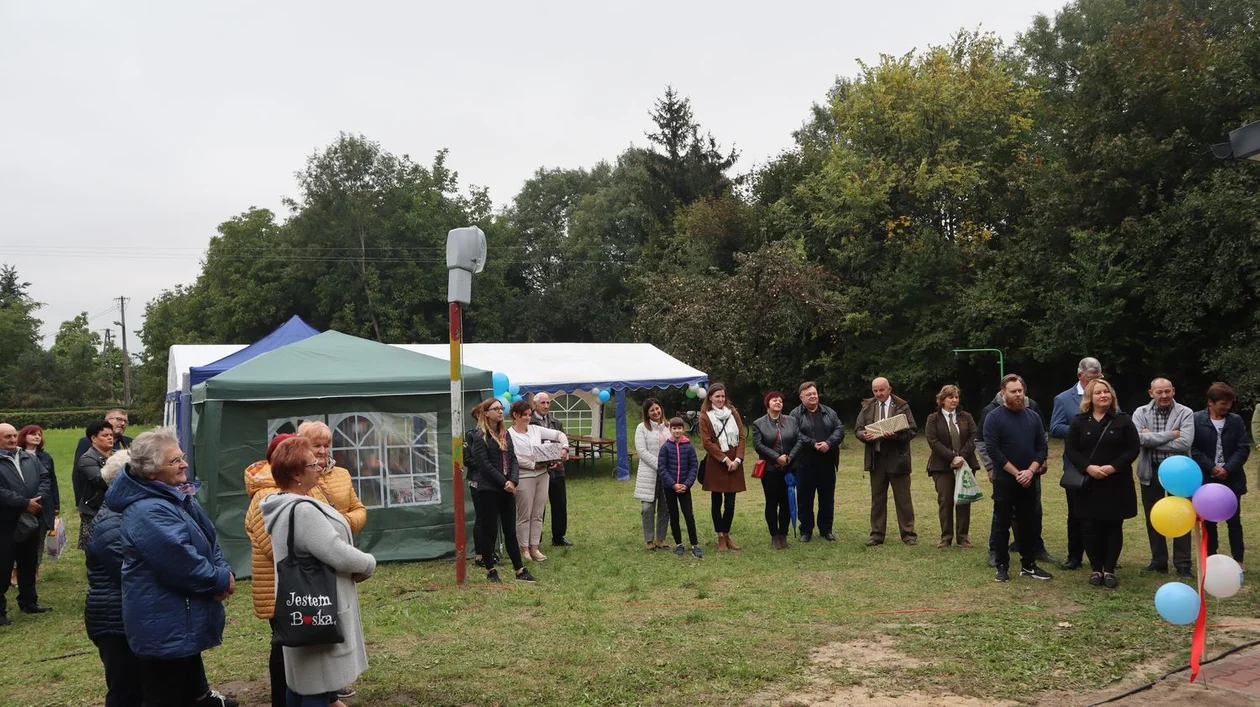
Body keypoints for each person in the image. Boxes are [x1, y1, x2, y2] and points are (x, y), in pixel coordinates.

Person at [105, 427, 236, 706]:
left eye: (182, 456)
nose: (184, 464)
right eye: (174, 461)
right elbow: (180, 561)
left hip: (179, 619)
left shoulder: (174, 496)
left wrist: (223, 574)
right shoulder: (147, 509)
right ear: (152, 473)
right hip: (163, 625)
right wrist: (218, 580)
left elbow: (209, 538)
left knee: (188, 691)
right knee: (166, 695)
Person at [260, 436, 376, 707]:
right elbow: (336, 551)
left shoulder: (284, 504)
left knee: (303, 685)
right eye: (312, 463)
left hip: (302, 606)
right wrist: (368, 563)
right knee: (315, 687)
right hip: (319, 607)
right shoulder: (302, 512)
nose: (319, 466)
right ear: (297, 474)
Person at [1066, 379, 1140, 589]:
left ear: (1112, 395)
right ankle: (1095, 569)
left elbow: (1133, 449)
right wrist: (1088, 468)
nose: (1103, 395)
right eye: (1098, 392)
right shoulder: (1079, 421)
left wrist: (1113, 467)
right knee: (1090, 527)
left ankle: (1109, 570)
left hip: (1116, 482)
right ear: (1090, 397)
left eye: (1106, 391)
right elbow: (1071, 450)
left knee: (1113, 526)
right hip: (1089, 482)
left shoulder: (1123, 420)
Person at [983, 374, 1053, 582]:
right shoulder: (993, 417)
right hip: (1005, 480)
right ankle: (1002, 565)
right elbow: (993, 450)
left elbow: (1042, 447)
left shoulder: (1033, 417)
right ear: (1003, 393)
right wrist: (1016, 473)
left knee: (1029, 522)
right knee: (1002, 522)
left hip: (1029, 479)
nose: (1018, 395)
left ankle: (1028, 564)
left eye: (1020, 390)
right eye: (1013, 391)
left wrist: (1030, 471)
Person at [466, 398, 536, 583]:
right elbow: (483, 464)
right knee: (489, 531)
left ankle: (520, 570)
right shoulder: (479, 435)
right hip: (488, 489)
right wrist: (503, 482)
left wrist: (513, 480)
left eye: (501, 408)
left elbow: (513, 458)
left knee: (510, 531)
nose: (500, 411)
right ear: (486, 412)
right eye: (495, 408)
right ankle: (490, 570)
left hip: (507, 488)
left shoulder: (505, 434)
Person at [1132, 378, 1195, 578]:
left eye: (1167, 391)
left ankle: (1183, 563)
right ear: (1151, 393)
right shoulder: (1140, 413)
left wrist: (1152, 438)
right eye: (1159, 392)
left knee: (1182, 517)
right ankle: (1158, 561)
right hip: (1151, 470)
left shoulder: (1186, 412)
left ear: (1173, 391)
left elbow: (1185, 443)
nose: (1164, 395)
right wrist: (1171, 434)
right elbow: (1138, 439)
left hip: (1180, 474)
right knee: (1154, 517)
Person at [1050, 357, 1106, 570]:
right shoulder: (1064, 399)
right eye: (1091, 378)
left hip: (1104, 463)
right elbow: (1055, 428)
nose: (1095, 383)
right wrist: (1081, 429)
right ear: (1080, 376)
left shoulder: (1107, 395)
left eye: (1098, 378)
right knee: (1077, 512)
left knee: (1104, 511)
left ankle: (1104, 554)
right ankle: (1075, 556)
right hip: (1076, 465)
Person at [1191, 382, 1251, 563]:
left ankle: (1238, 559)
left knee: (1234, 521)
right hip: (1207, 478)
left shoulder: (1236, 421)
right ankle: (1211, 557)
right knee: (1209, 521)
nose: (1227, 407)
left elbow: (1243, 448)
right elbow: (1193, 448)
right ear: (1210, 402)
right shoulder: (1196, 419)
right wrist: (1212, 467)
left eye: (1229, 403)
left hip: (1232, 478)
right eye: (1223, 403)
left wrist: (1227, 468)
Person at [0, 422, 54, 624]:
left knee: (29, 561)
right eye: (7, 437)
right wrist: (24, 503)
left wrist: (38, 499)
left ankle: (29, 601)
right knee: (3, 565)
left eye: (14, 435)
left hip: (31, 518)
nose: (13, 440)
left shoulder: (27, 457)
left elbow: (45, 477)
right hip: (5, 521)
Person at [855, 377, 918, 546]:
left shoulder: (902, 406)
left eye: (881, 390)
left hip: (898, 459)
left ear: (889, 389)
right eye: (875, 391)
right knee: (877, 499)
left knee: (903, 498)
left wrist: (897, 436)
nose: (878, 394)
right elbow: (858, 429)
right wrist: (864, 436)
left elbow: (912, 431)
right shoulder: (867, 407)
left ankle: (908, 534)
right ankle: (877, 535)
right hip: (877, 459)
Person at [508, 400, 569, 562]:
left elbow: (558, 434)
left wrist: (564, 448)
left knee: (538, 514)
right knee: (524, 515)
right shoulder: (509, 434)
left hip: (543, 475)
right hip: (524, 476)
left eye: (529, 415)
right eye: (524, 415)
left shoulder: (535, 429)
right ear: (515, 415)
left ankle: (535, 547)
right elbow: (513, 458)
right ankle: (524, 549)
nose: (528, 418)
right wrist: (534, 463)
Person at [924, 385, 980, 549]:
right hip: (942, 466)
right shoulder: (933, 418)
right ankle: (946, 537)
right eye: (950, 397)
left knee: (963, 500)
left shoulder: (966, 417)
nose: (954, 400)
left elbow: (974, 437)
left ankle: (963, 537)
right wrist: (952, 457)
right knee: (945, 500)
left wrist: (961, 456)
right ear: (942, 400)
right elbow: (933, 441)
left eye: (956, 397)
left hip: (965, 464)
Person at [788, 381, 845, 542]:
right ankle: (806, 531)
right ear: (801, 397)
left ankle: (826, 529)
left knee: (827, 497)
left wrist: (829, 443)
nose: (813, 396)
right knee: (805, 498)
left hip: (827, 460)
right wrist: (813, 443)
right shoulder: (794, 415)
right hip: (804, 462)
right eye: (809, 394)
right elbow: (795, 434)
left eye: (814, 393)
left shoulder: (829, 412)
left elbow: (840, 429)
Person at [753, 391, 805, 550]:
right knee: (772, 502)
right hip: (770, 470)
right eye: (774, 400)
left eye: (780, 400)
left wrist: (789, 457)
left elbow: (800, 440)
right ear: (767, 404)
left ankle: (784, 534)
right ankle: (774, 535)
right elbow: (758, 445)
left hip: (789, 469)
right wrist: (776, 457)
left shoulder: (791, 420)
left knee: (786, 502)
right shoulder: (758, 423)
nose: (778, 402)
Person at [697, 383, 746, 551]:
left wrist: (738, 459)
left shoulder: (733, 413)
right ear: (710, 397)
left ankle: (726, 533)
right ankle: (720, 536)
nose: (720, 399)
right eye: (717, 396)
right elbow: (707, 443)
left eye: (723, 396)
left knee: (730, 503)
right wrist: (725, 459)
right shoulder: (705, 416)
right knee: (716, 501)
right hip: (717, 462)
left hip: (734, 462)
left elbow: (741, 437)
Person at [530, 393, 573, 547]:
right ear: (535, 404)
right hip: (539, 469)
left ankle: (559, 536)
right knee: (538, 505)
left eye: (548, 402)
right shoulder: (529, 422)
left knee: (560, 503)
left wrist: (561, 457)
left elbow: (562, 443)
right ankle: (536, 538)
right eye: (543, 403)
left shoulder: (556, 423)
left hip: (557, 469)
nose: (546, 406)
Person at [16, 424, 58, 581]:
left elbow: (51, 481)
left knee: (39, 539)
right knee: (19, 538)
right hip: (22, 504)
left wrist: (56, 506)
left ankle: (35, 570)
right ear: (24, 436)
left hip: (43, 503)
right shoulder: (16, 455)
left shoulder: (46, 457)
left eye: (39, 434)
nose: (37, 436)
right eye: (32, 434)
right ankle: (15, 572)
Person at [657, 417, 703, 558]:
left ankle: (694, 544)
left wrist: (687, 484)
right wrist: (673, 484)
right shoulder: (665, 447)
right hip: (670, 488)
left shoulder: (689, 447)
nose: (677, 431)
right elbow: (662, 468)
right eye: (674, 428)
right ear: (670, 430)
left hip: (685, 488)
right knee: (674, 516)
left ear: (683, 429)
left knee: (689, 516)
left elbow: (693, 467)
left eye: (679, 428)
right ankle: (679, 544)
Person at [633, 398, 672, 551]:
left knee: (665, 507)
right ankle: (649, 541)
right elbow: (642, 452)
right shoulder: (641, 428)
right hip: (649, 473)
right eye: (652, 410)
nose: (656, 412)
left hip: (667, 474)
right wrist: (660, 466)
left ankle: (660, 540)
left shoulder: (669, 427)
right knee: (647, 507)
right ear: (647, 414)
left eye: (657, 408)